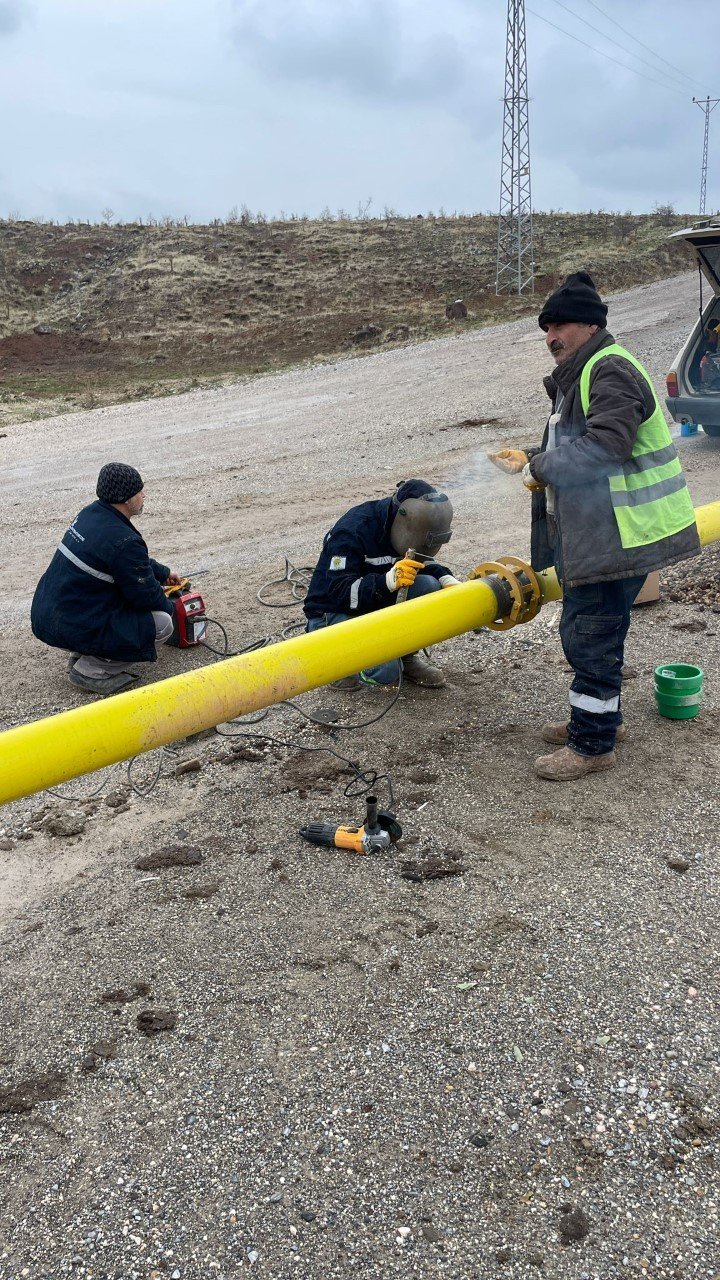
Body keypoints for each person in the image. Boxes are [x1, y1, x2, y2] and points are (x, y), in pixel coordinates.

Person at [490, 271, 700, 781]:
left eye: (558, 325)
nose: (550, 337)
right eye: (545, 328)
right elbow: (585, 444)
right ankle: (602, 716)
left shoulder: (608, 369)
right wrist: (536, 455)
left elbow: (607, 448)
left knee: (589, 635)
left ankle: (593, 743)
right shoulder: (587, 371)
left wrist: (542, 467)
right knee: (596, 632)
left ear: (589, 324)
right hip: (610, 535)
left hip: (620, 537)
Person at [31, 463, 179, 695]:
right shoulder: (125, 540)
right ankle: (92, 670)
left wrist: (163, 573)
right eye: (139, 491)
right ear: (125, 498)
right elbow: (145, 596)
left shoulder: (91, 514)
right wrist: (172, 607)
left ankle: (87, 654)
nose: (144, 495)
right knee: (161, 624)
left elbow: (127, 562)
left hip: (48, 614)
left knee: (115, 599)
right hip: (69, 623)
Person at [303, 479, 459, 689]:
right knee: (386, 672)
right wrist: (386, 582)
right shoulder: (353, 530)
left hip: (373, 605)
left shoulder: (407, 529)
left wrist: (445, 577)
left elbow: (419, 560)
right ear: (403, 516)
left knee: (429, 585)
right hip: (333, 614)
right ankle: (335, 664)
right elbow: (339, 592)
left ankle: (405, 657)